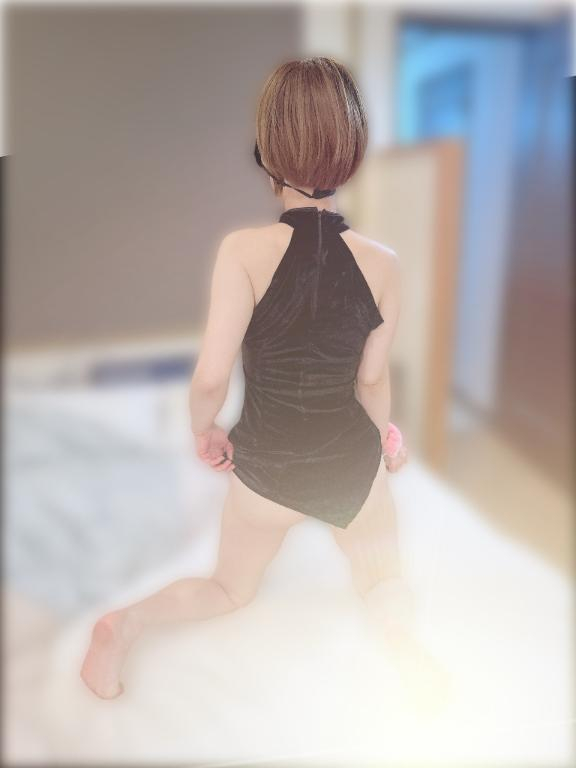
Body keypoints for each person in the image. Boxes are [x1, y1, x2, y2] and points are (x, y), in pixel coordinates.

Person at [80, 57, 434, 704]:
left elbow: (210, 378)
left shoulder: (243, 252)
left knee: (227, 589)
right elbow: (372, 381)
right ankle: (406, 651)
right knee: (383, 580)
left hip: (264, 472)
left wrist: (205, 432)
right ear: (354, 153)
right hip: (348, 472)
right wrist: (384, 439)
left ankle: (123, 625)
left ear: (268, 155)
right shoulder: (384, 265)